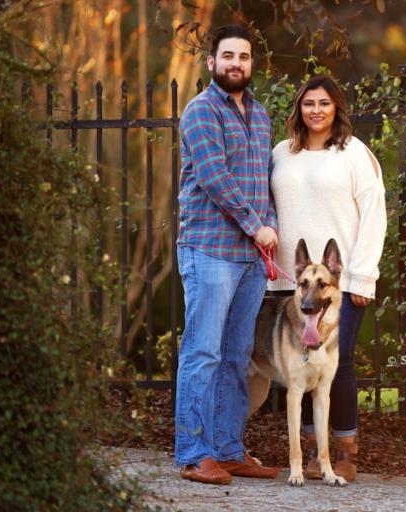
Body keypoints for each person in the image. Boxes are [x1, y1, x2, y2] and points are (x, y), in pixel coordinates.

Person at [267, 74, 388, 482]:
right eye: (308, 103)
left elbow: (375, 215)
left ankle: (346, 453)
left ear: (337, 107)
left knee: (341, 364)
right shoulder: (282, 153)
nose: (315, 110)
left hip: (339, 284)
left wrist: (362, 277)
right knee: (299, 365)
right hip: (289, 281)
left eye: (323, 102)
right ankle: (312, 454)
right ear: (298, 108)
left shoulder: (354, 154)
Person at [175, 24, 281, 485]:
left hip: (250, 258)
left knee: (237, 354)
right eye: (228, 56)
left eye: (244, 56)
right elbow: (216, 178)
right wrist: (255, 225)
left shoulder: (259, 115)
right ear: (212, 62)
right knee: (203, 352)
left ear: (252, 63)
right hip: (210, 250)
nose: (236, 63)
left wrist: (271, 223)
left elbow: (264, 181)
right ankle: (194, 453)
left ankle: (228, 448)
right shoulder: (199, 112)